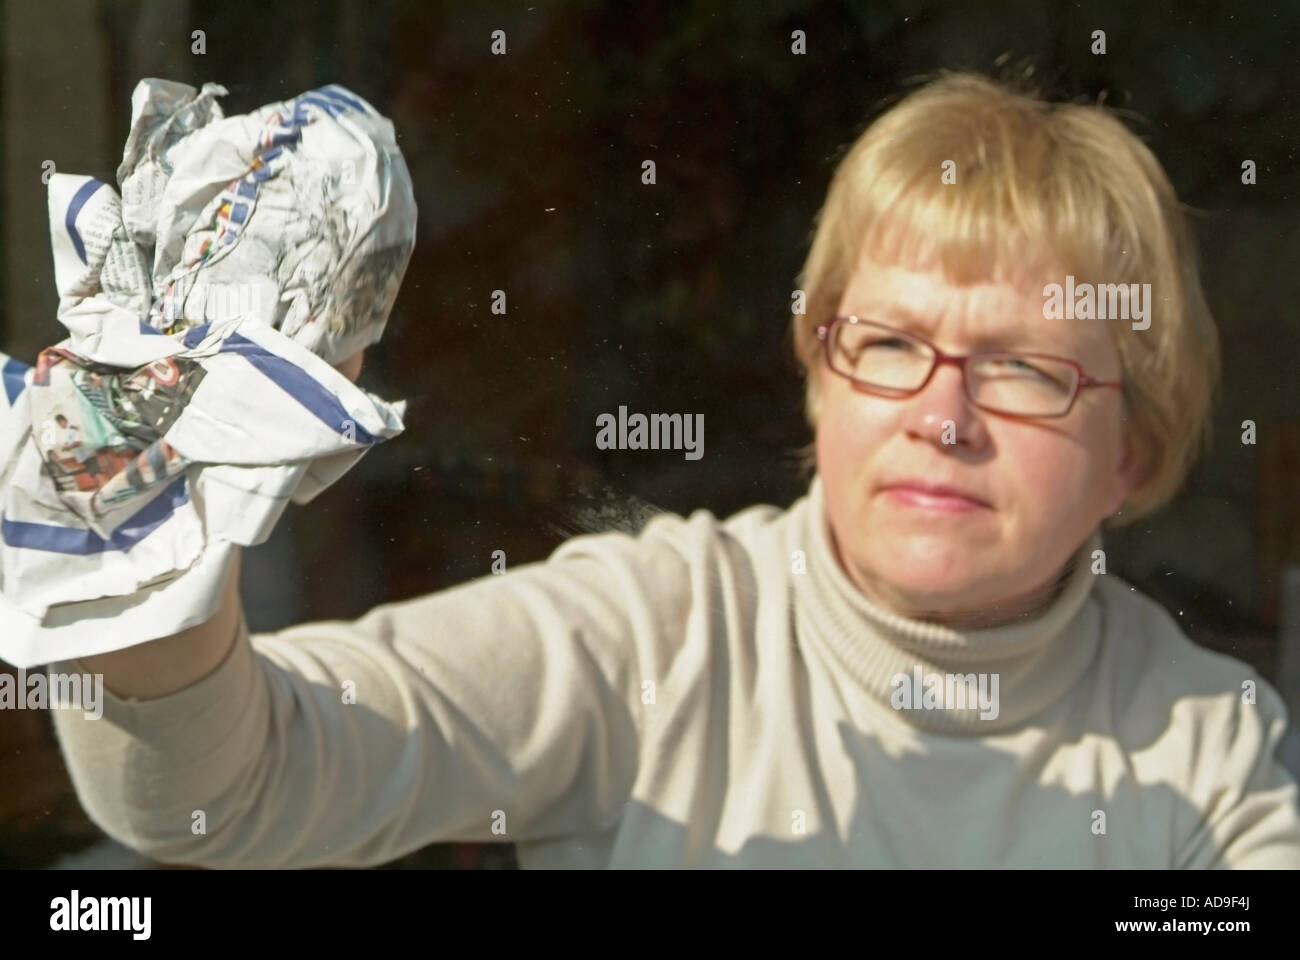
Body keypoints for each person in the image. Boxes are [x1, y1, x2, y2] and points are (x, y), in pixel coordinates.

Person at [50, 71, 1300, 868]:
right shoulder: (651, 633)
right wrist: (139, 549)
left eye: (1025, 368)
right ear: (819, 373)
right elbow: (226, 790)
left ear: (1134, 448)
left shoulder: (1206, 750)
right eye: (889, 343)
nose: (943, 413)